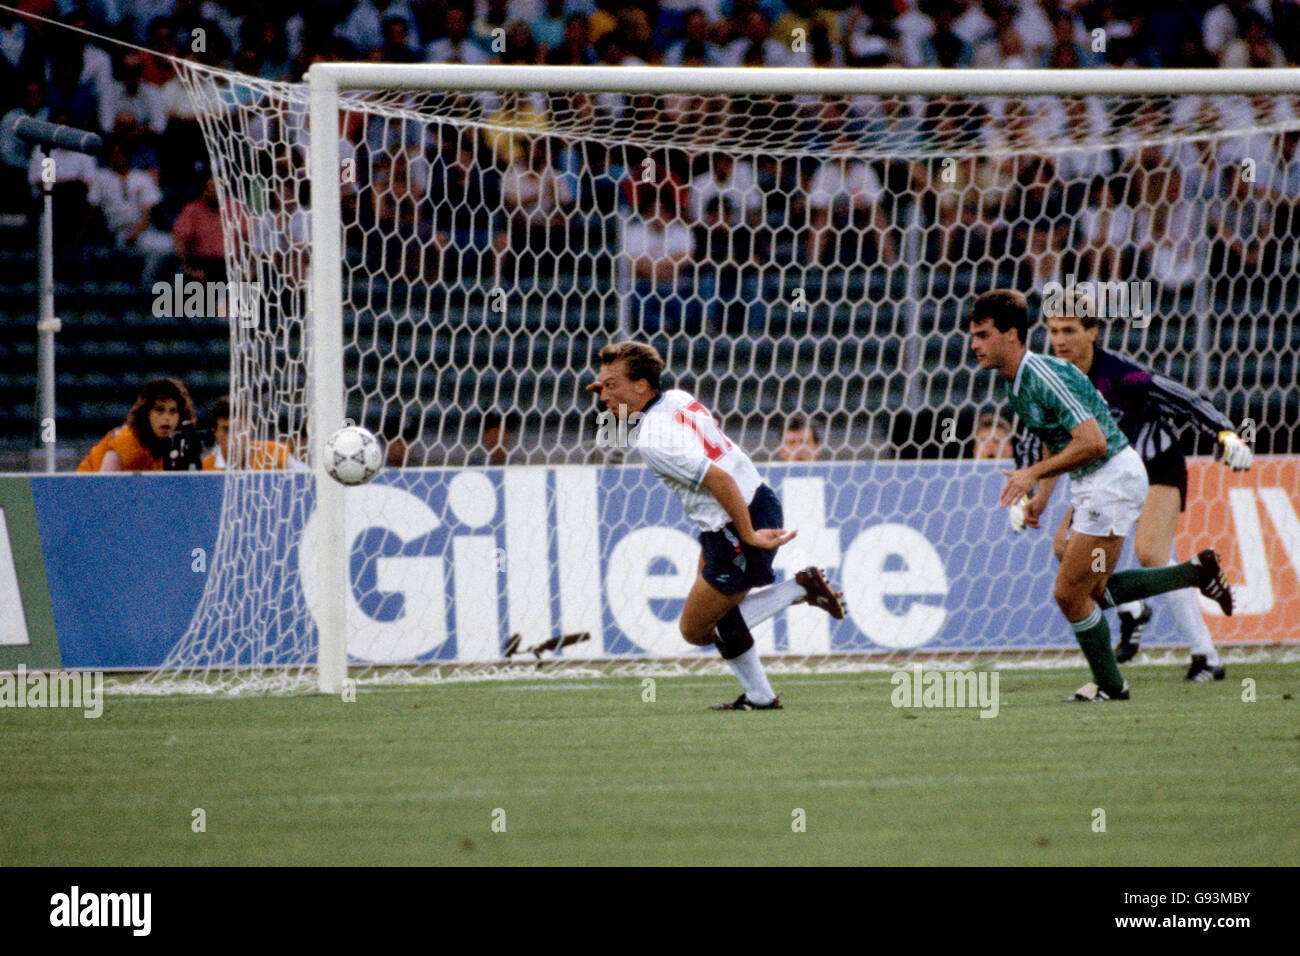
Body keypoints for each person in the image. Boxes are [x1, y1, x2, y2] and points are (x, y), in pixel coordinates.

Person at [966, 290, 1234, 702]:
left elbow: (1092, 442)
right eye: (973, 335)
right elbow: (1056, 442)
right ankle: (1194, 573)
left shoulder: (1045, 375)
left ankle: (1113, 684)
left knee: (1068, 593)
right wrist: (1040, 496)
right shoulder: (1017, 383)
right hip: (1096, 481)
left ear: (1013, 335)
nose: (974, 345)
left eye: (983, 335)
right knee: (1089, 590)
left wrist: (1031, 475)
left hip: (1112, 478)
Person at [586, 341, 845, 711]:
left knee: (696, 630)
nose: (602, 394)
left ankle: (799, 588)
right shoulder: (675, 398)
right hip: (751, 502)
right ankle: (761, 697)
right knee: (711, 614)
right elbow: (677, 433)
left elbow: (718, 479)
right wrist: (615, 393)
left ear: (642, 386)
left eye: (611, 385)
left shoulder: (653, 438)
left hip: (736, 520)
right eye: (602, 385)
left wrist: (748, 535)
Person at [1036, 295, 1252, 680]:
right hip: (1104, 478)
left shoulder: (1124, 378)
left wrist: (1226, 433)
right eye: (1053, 332)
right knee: (1067, 550)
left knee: (1151, 551)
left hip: (1156, 466)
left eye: (1069, 330)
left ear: (1093, 332)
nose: (1060, 340)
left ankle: (1207, 656)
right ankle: (1131, 609)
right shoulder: (1055, 380)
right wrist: (1035, 495)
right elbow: (1055, 443)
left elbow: (1185, 399)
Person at [78, 377, 194, 472]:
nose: (167, 418)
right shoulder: (127, 439)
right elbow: (104, 485)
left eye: (173, 411)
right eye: (160, 410)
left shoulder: (174, 445)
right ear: (146, 413)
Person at [200, 396, 298, 470]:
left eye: (239, 429)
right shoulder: (205, 468)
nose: (234, 437)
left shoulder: (276, 454)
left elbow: (308, 481)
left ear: (250, 429)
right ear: (215, 433)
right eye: (227, 430)